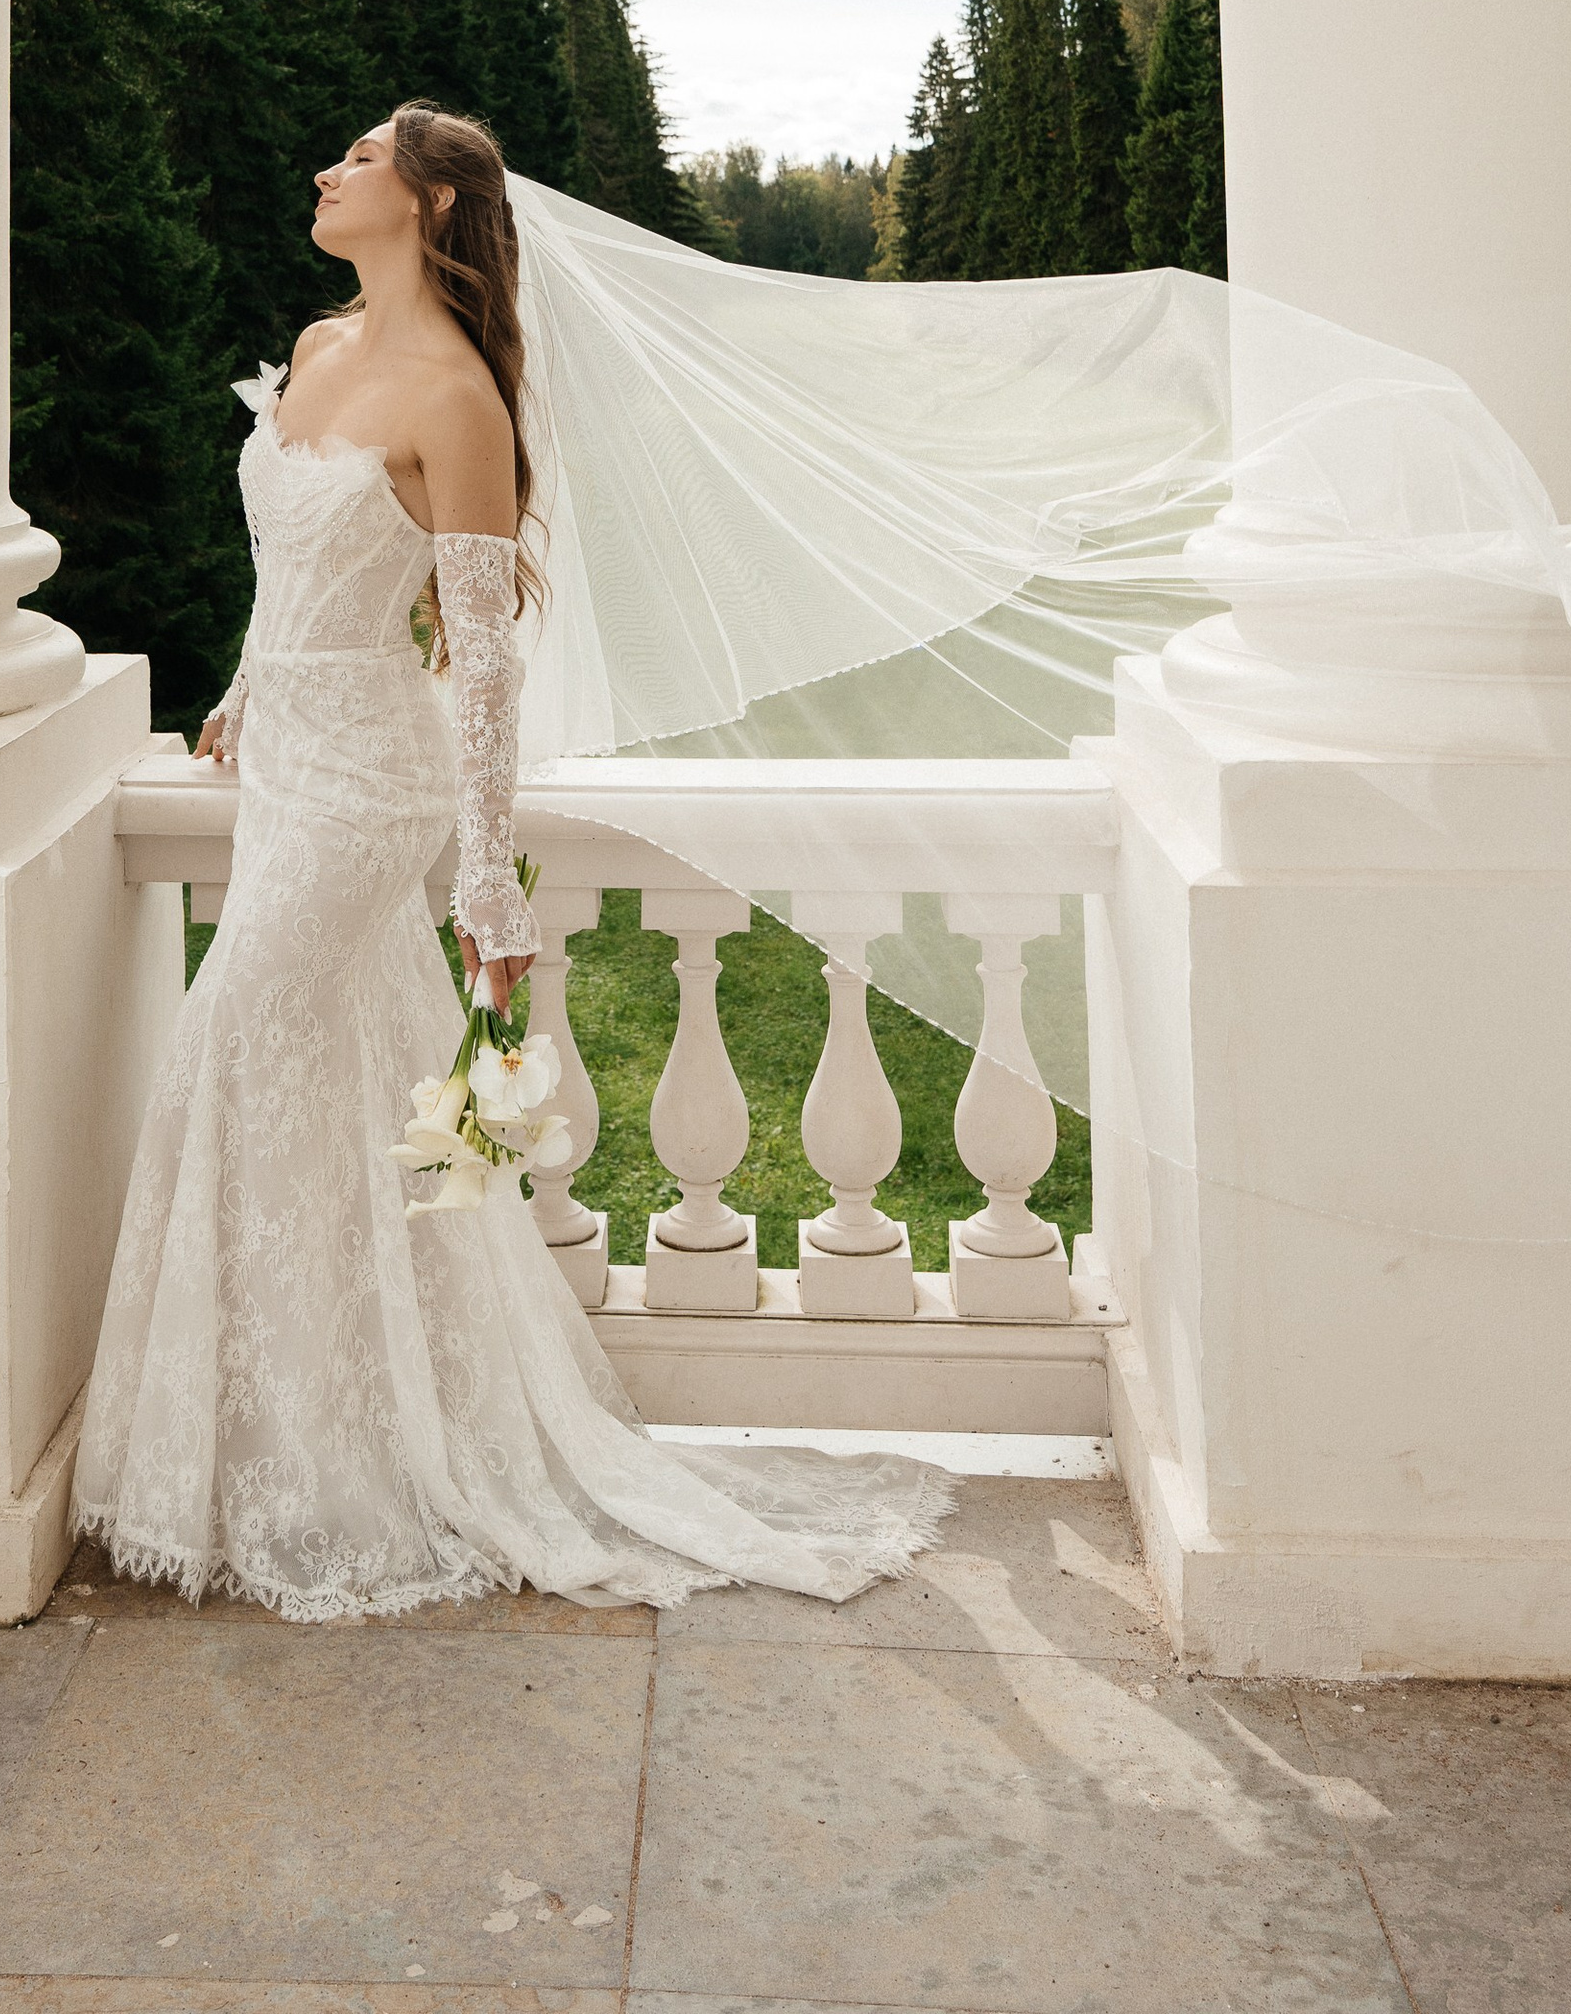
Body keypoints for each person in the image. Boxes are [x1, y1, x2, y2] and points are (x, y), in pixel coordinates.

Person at [72, 100, 950, 1621]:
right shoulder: (317, 347)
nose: (322, 167)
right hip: (285, 757)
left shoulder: (461, 401)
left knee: (234, 1044)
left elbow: (482, 663)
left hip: (368, 797)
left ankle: (343, 1467)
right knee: (323, 1089)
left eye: (353, 159)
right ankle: (307, 1444)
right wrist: (238, 689)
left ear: (424, 206)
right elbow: (294, 568)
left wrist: (488, 887)